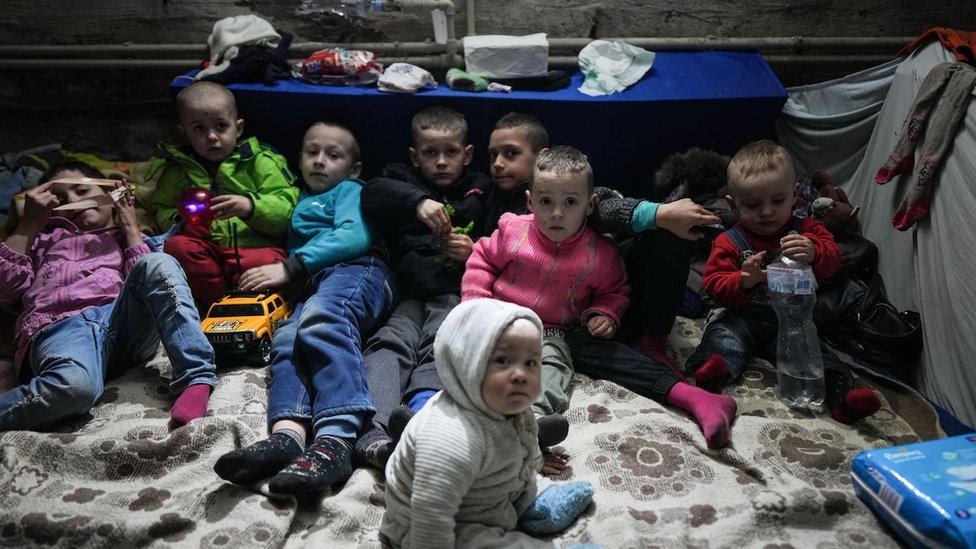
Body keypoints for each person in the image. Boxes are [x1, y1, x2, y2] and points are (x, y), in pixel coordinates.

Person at [463, 146, 738, 450]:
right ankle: (432, 409)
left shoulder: (600, 252)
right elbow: (482, 258)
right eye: (545, 202)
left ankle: (534, 421)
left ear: (590, 205)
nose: (557, 213)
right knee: (459, 347)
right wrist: (475, 306)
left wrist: (605, 313)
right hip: (499, 320)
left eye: (570, 202)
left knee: (554, 369)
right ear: (529, 202)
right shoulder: (513, 231)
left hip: (559, 332)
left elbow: (615, 290)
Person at [212, 122, 396, 493]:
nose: (320, 161)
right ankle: (288, 436)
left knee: (323, 320)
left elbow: (353, 235)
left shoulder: (350, 189)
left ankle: (335, 440)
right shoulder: (298, 201)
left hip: (360, 268)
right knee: (286, 340)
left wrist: (290, 267)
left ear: (354, 168)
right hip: (315, 284)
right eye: (312, 152)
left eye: (333, 155)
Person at [484, 112, 720, 371]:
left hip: (611, 291)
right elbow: (483, 254)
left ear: (543, 155)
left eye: (510, 153)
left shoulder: (566, 182)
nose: (497, 163)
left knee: (670, 232)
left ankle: (653, 342)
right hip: (562, 320)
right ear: (531, 201)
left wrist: (658, 213)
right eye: (492, 155)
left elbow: (602, 208)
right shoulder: (486, 195)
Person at [0, 161, 217, 431]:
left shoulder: (130, 238)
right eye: (62, 198)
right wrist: (28, 225)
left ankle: (196, 377)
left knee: (159, 263)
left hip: (122, 325)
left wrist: (129, 226)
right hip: (62, 330)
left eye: (82, 191)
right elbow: (6, 290)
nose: (76, 202)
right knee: (73, 389)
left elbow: (152, 283)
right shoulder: (40, 242)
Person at [686, 140, 881, 423]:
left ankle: (843, 399)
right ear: (733, 204)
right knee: (724, 339)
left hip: (792, 318)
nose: (767, 212)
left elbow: (832, 264)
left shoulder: (809, 231)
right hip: (742, 315)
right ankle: (713, 375)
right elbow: (714, 286)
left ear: (795, 195)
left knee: (818, 357)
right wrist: (743, 281)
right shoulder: (728, 241)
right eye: (753, 205)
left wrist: (815, 253)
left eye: (777, 201)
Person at [381, 298, 594, 548]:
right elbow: (430, 514)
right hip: (435, 523)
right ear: (466, 363)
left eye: (531, 362)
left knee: (523, 477)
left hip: (492, 488)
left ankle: (535, 501)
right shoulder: (448, 438)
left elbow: (525, 440)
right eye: (503, 361)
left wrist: (536, 463)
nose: (521, 375)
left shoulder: (508, 401)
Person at [358, 106, 492, 454]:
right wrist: (417, 202)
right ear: (415, 158)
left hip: (454, 291)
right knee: (389, 343)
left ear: (468, 155)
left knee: (442, 341)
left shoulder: (481, 187)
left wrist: (475, 249)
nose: (442, 162)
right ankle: (375, 426)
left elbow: (504, 238)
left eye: (451, 152)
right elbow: (370, 194)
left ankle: (421, 410)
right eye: (431, 153)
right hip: (407, 293)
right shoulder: (401, 177)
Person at [152, 80, 299, 308]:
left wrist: (250, 206)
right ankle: (220, 303)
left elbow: (288, 207)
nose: (211, 136)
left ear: (238, 128)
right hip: (208, 253)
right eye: (199, 128)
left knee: (265, 262)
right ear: (184, 133)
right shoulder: (178, 172)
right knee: (177, 247)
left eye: (221, 126)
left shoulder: (260, 162)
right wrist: (181, 220)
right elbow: (161, 208)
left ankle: (251, 303)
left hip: (255, 249)